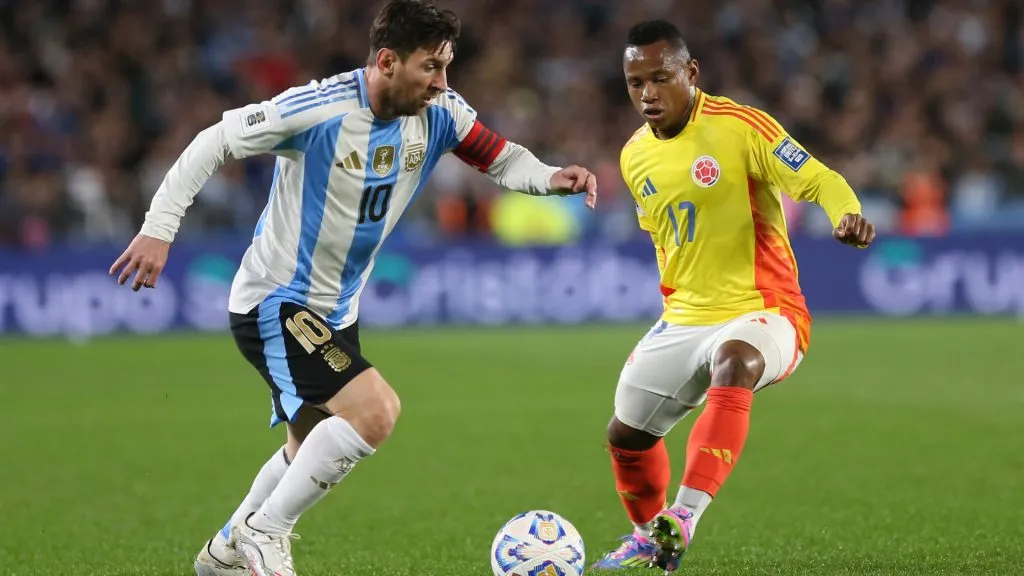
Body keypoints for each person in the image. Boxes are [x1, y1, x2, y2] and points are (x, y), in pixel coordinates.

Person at [108, 2, 597, 575]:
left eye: (446, 67)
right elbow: (215, 140)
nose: (442, 82)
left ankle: (225, 551)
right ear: (387, 61)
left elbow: (500, 157)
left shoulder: (439, 113)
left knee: (308, 441)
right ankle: (266, 532)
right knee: (376, 411)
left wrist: (549, 178)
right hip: (278, 299)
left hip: (336, 309)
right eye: (430, 68)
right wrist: (158, 231)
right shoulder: (318, 109)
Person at [591, 20, 874, 572]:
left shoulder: (741, 126)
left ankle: (685, 516)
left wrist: (847, 212)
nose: (647, 94)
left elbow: (817, 178)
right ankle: (650, 539)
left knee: (735, 360)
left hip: (765, 309)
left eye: (660, 78)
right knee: (625, 436)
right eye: (634, 83)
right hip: (684, 315)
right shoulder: (633, 157)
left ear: (691, 72)